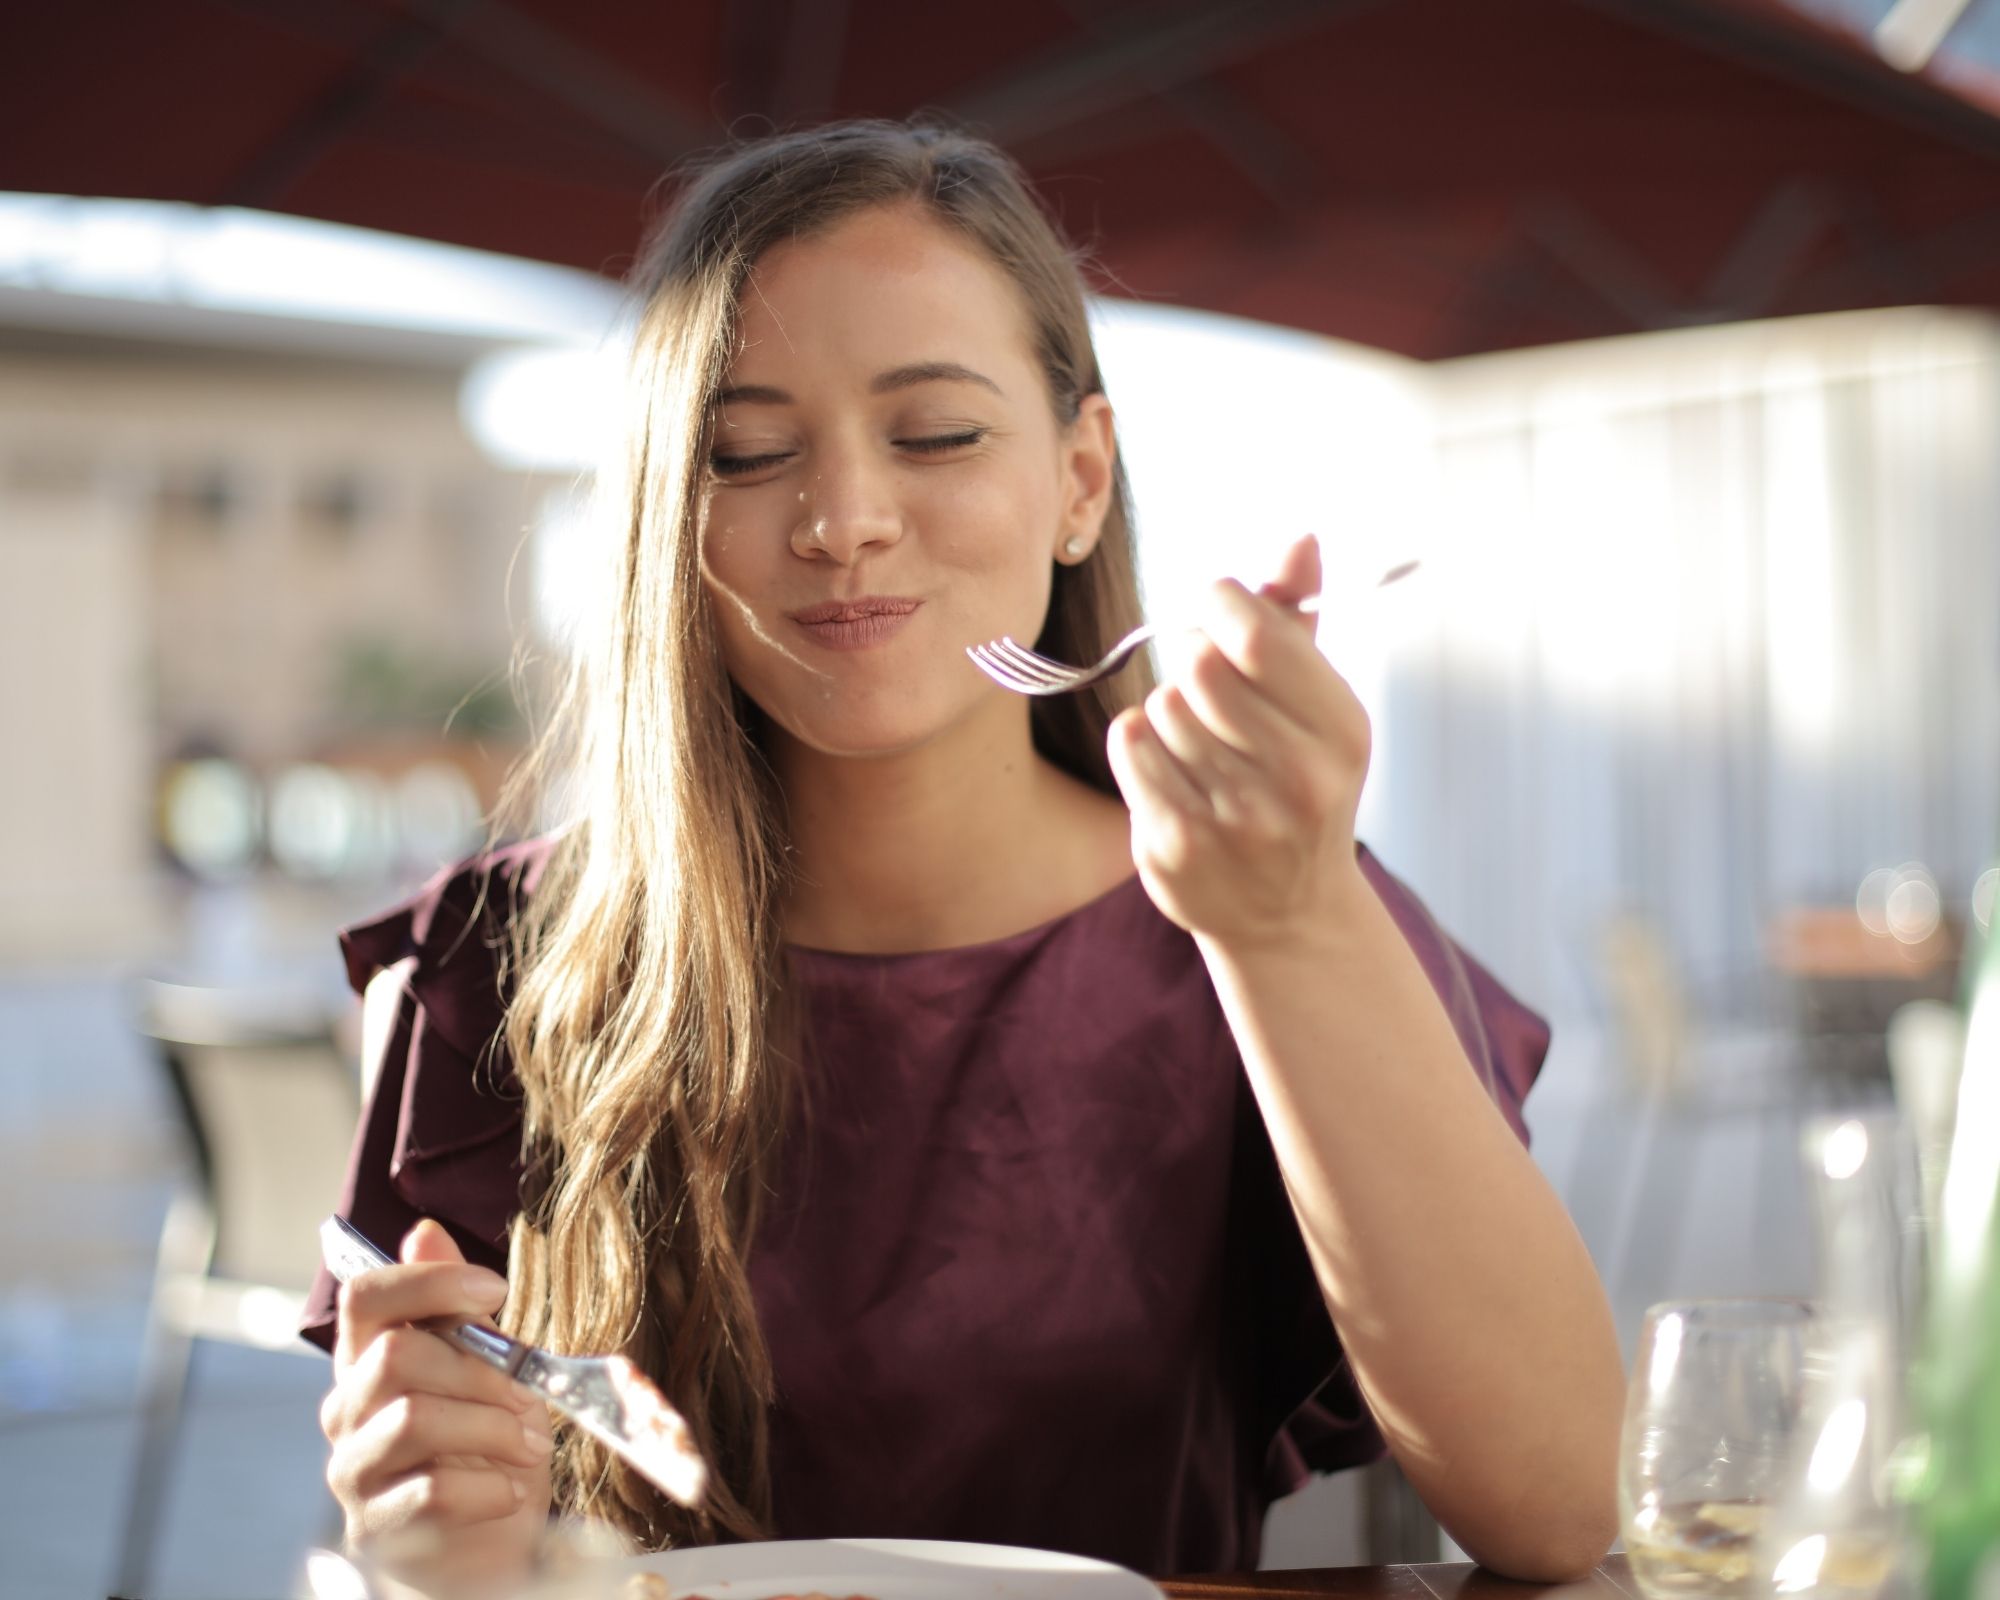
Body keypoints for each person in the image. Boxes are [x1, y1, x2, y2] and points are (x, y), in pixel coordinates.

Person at [302, 118, 1624, 1588]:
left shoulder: (1266, 911)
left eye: (935, 434)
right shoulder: (491, 964)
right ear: (669, 522)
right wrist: (420, 1533)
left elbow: (1561, 1509)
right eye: (744, 453)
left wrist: (1292, 926)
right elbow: (437, 1529)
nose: (845, 522)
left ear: (1080, 480)